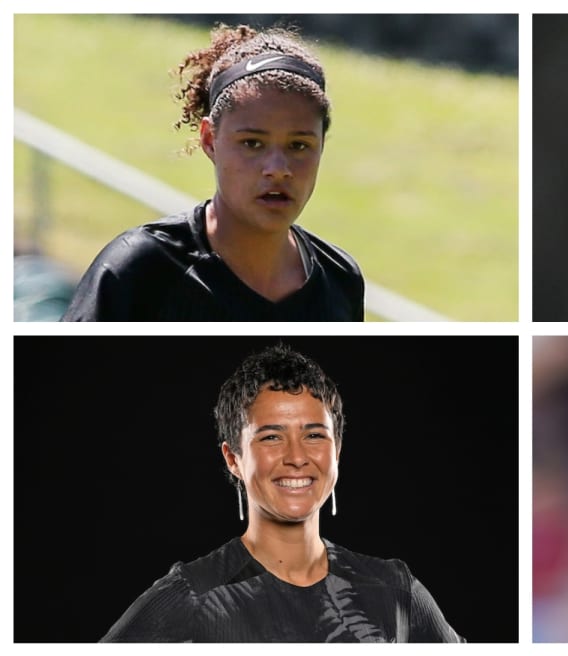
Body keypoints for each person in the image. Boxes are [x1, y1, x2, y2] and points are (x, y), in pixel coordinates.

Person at [102, 345, 461, 642]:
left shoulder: (393, 588)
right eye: (271, 437)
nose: (296, 457)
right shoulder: (193, 595)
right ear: (233, 459)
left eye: (314, 435)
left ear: (336, 450)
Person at [63, 25, 364, 321]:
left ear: (322, 144)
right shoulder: (138, 270)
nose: (277, 170)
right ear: (209, 140)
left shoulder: (340, 280)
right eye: (252, 143)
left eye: (299, 145)